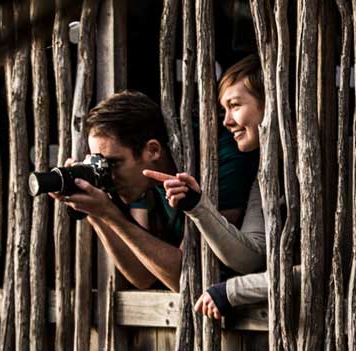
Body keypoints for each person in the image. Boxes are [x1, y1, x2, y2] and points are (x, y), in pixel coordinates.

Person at [50, 89, 256, 293]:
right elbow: (143, 275)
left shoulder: (220, 159)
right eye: (99, 163)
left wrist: (110, 214)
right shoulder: (138, 178)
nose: (107, 174)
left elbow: (185, 277)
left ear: (153, 150)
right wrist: (95, 214)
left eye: (112, 163)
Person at [143, 55, 269, 321]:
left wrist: (234, 290)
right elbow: (251, 256)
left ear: (270, 103)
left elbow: (320, 268)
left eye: (235, 105)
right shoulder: (268, 173)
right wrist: (197, 206)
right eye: (224, 110)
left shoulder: (334, 166)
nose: (226, 121)